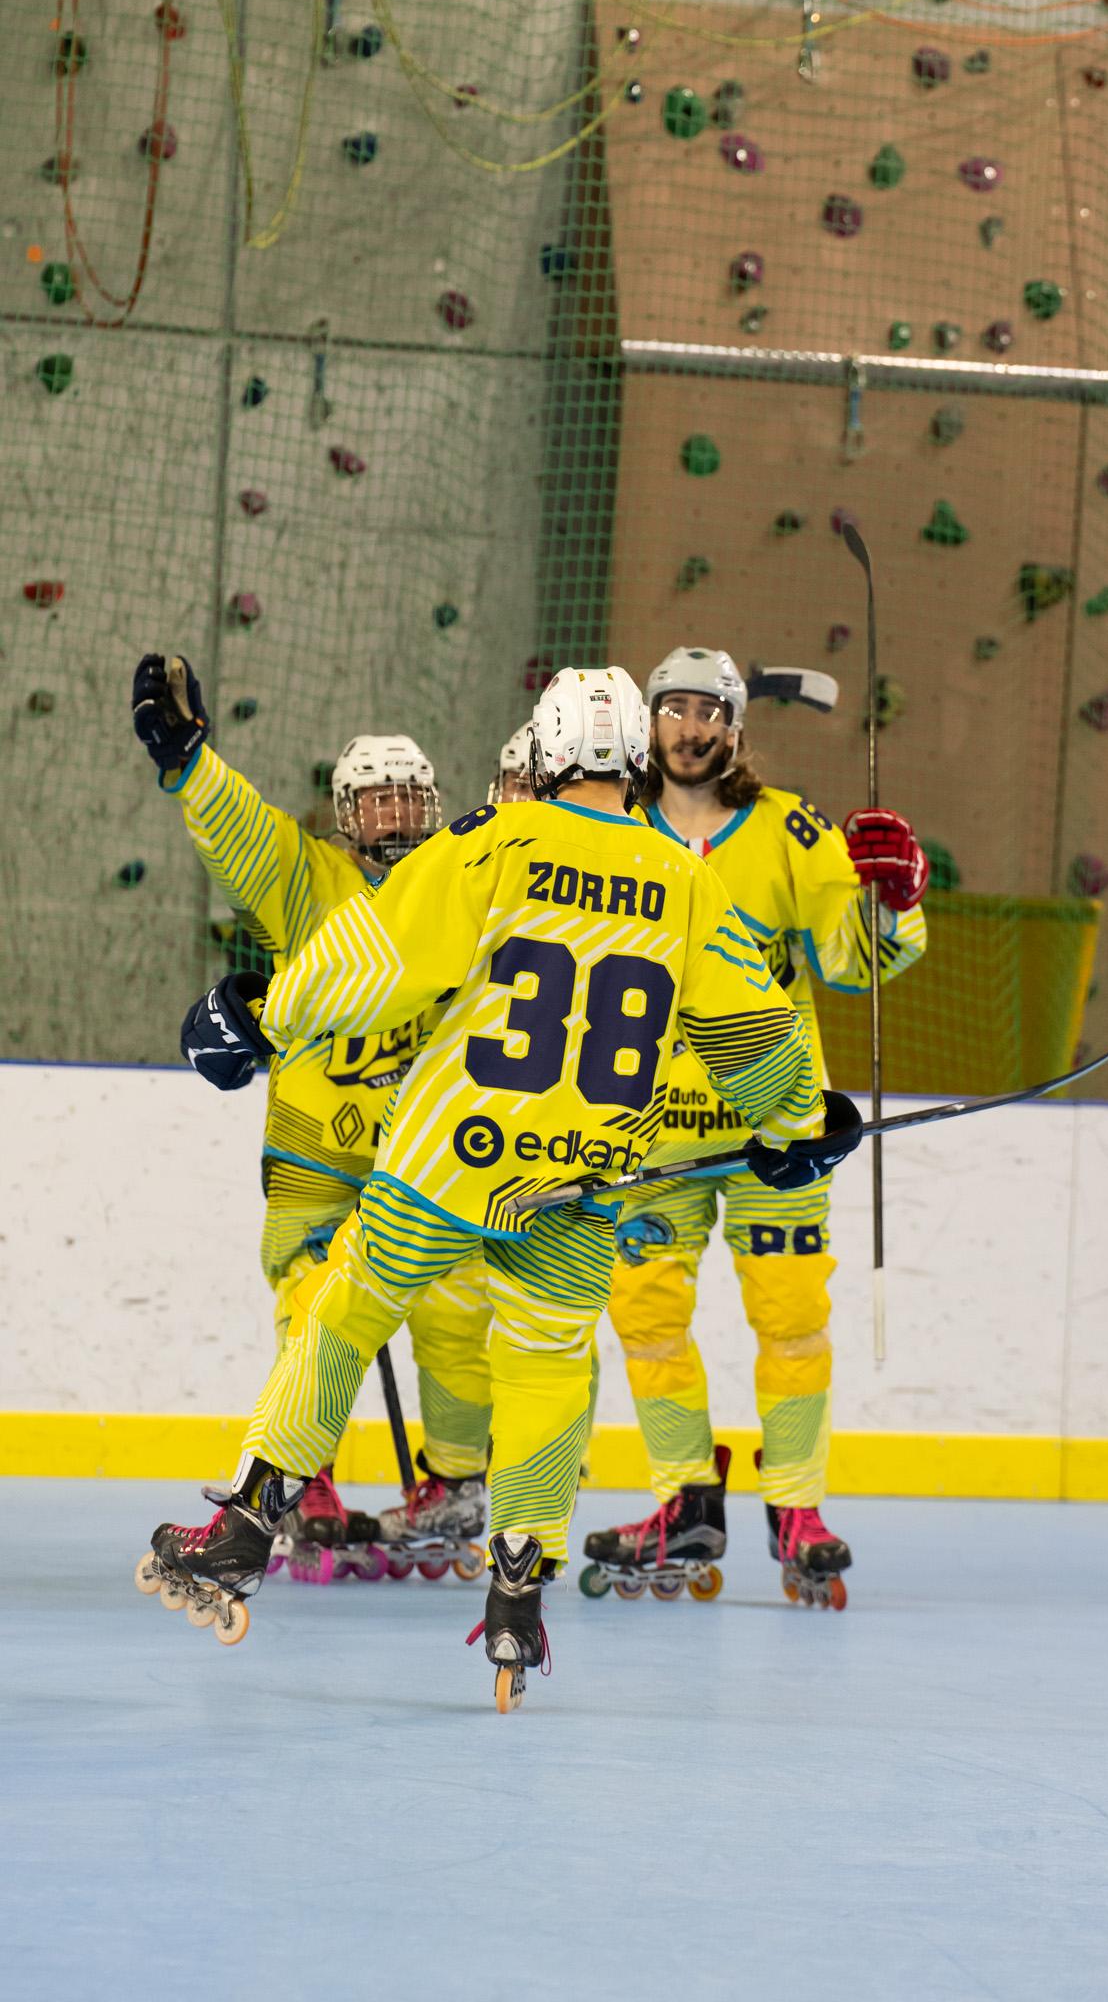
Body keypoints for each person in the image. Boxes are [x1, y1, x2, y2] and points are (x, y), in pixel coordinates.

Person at [136, 666, 862, 1708]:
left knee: (345, 1311)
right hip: (583, 1176)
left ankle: (246, 1524)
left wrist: (261, 1015)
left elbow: (374, 957)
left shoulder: (491, 844)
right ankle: (519, 1585)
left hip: (447, 1156)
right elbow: (755, 1038)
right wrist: (802, 1126)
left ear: (547, 751)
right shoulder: (690, 883)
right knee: (551, 1366)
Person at [131, 654, 492, 1577]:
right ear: (345, 816)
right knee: (312, 1312)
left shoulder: (460, 885)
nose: (395, 818)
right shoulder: (309, 883)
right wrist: (190, 766)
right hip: (316, 1162)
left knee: (455, 1317)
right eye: (376, 803)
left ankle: (456, 1484)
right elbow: (244, 835)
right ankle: (304, 1476)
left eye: (409, 800)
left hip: (434, 1162)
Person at [582, 646, 928, 1607]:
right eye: (674, 710)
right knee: (648, 1324)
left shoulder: (791, 831)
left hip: (780, 1126)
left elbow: (857, 963)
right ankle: (681, 1499)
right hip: (648, 1133)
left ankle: (798, 1506)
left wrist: (893, 897)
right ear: (647, 723)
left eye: (710, 712)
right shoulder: (606, 829)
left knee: (792, 1321)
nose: (690, 729)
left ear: (737, 727)